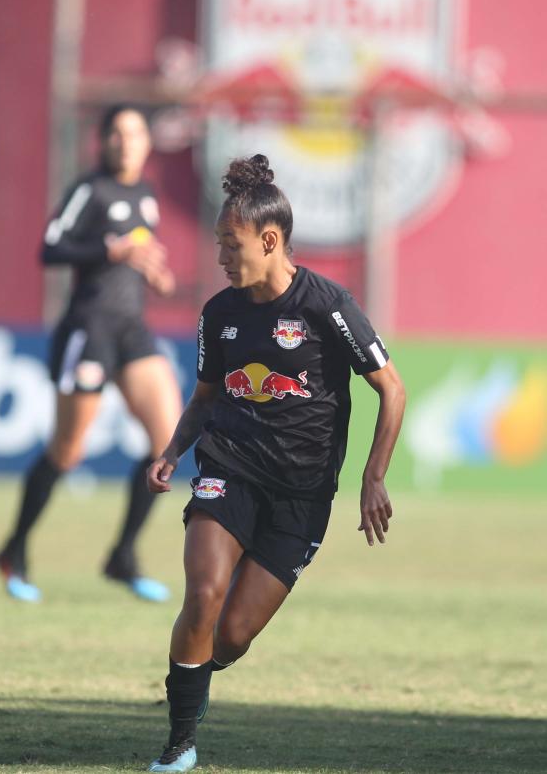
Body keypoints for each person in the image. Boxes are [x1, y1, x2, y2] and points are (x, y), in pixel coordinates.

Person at [145, 154, 406, 772]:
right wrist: (172, 451)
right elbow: (206, 398)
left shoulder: (327, 305)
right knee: (203, 594)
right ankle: (179, 745)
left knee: (230, 638)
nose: (219, 258)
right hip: (228, 466)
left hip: (303, 495)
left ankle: (192, 679)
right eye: (217, 245)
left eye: (229, 246)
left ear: (269, 240)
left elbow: (391, 388)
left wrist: (373, 477)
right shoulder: (219, 314)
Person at [0, 104, 183, 603]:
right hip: (90, 327)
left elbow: (141, 252)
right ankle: (14, 550)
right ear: (103, 141)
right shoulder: (89, 190)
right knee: (68, 452)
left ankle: (122, 556)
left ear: (147, 142)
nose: (127, 142)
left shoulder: (146, 194)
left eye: (136, 133)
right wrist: (110, 251)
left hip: (132, 329)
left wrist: (154, 274)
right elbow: (50, 248)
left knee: (169, 445)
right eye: (117, 134)